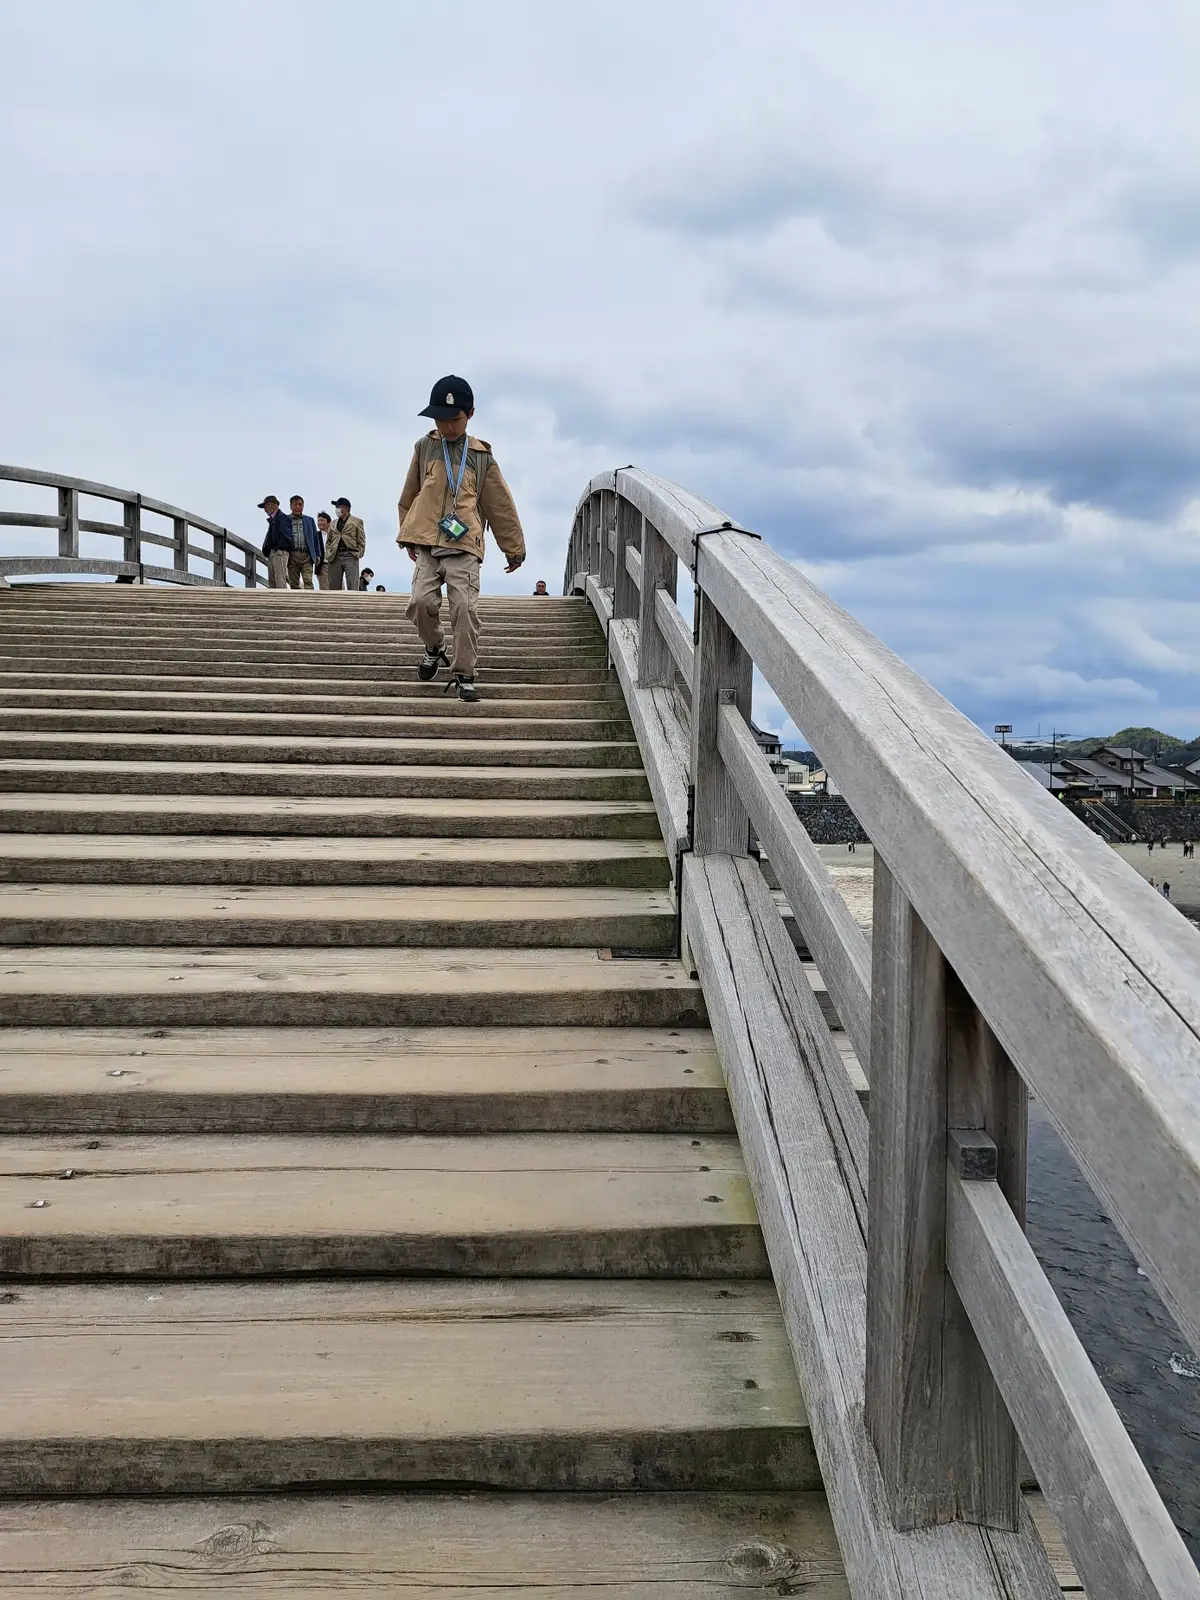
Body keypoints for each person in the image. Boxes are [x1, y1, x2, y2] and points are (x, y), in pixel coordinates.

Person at [398, 375, 525, 702]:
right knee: (420, 602)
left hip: (464, 543)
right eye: (440, 419)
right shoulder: (425, 446)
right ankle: (434, 645)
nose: (447, 426)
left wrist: (513, 549)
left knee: (464, 608)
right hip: (427, 542)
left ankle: (464, 674)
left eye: (453, 419)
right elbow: (409, 495)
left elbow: (500, 505)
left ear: (469, 414)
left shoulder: (481, 457)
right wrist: (408, 535)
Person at [263, 494, 322, 589]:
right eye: (295, 505)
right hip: (292, 555)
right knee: (294, 583)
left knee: (308, 581)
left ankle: (309, 602)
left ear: (303, 506)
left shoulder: (309, 520)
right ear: (290, 506)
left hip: (307, 555)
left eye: (300, 504)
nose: (297, 507)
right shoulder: (286, 518)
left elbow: (315, 538)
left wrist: (318, 554)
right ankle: (297, 603)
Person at [325, 496, 366, 591]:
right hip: (335, 556)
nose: (337, 509)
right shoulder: (333, 523)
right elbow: (329, 541)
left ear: (346, 508)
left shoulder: (357, 521)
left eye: (339, 506)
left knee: (352, 585)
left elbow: (361, 540)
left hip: (350, 555)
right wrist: (328, 552)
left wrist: (359, 553)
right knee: (333, 586)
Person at [258, 495, 290, 587]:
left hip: (279, 552)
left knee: (280, 581)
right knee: (272, 581)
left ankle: (282, 601)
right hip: (273, 552)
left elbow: (286, 536)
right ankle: (274, 601)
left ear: (273, 505)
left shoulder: (282, 517)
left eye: (266, 506)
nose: (265, 509)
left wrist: (279, 548)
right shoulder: (273, 519)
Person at [315, 512, 333, 588]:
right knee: (324, 588)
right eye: (318, 520)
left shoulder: (335, 535)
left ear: (329, 522)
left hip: (334, 565)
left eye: (322, 520)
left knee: (339, 588)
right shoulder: (315, 535)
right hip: (322, 565)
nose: (319, 522)